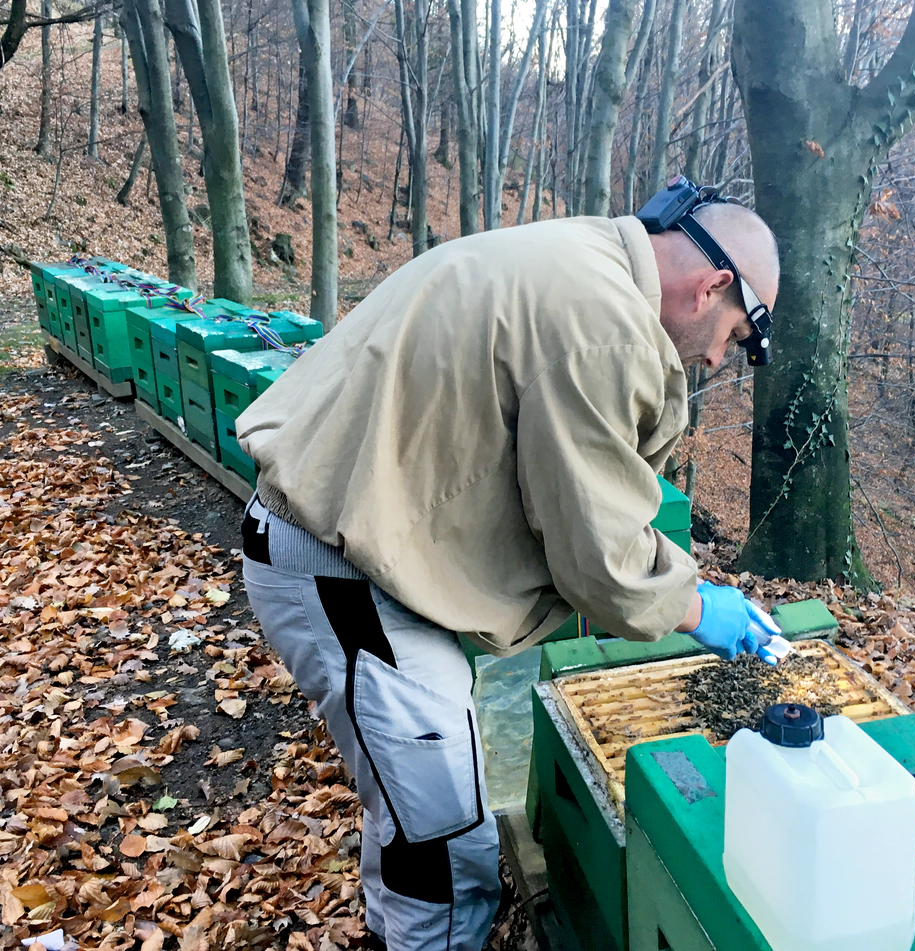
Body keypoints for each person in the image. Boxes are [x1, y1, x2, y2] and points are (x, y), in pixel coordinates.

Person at [235, 178, 781, 951]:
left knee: (415, 815)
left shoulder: (583, 255)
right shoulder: (608, 328)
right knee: (450, 856)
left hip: (344, 545)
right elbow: (600, 555)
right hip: (341, 567)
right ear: (713, 287)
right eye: (740, 335)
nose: (721, 356)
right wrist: (698, 608)